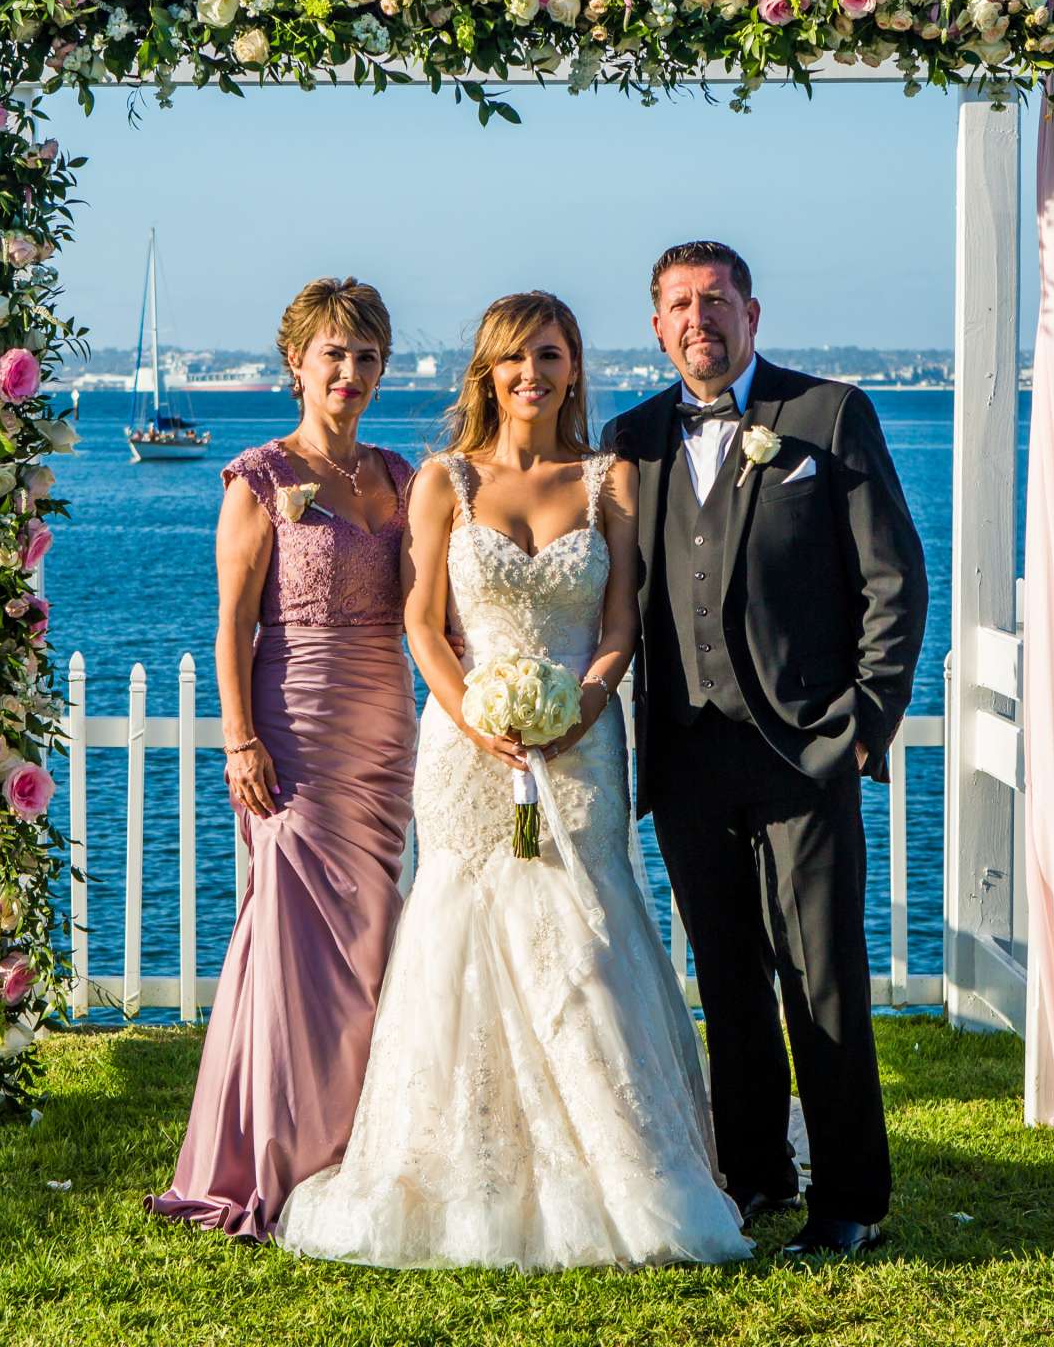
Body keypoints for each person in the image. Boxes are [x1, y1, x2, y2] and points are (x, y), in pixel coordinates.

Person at [278, 291, 749, 1271]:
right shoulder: (446, 480)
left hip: (581, 743)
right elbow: (420, 621)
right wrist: (473, 714)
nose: (530, 374)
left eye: (549, 355)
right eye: (512, 360)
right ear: (487, 375)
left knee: (587, 923)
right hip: (470, 748)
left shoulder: (606, 479)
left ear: (574, 367)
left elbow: (620, 622)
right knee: (465, 932)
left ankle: (625, 1171)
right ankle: (466, 1177)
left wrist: (582, 701)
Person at [601, 240, 928, 1258]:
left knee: (820, 976)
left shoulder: (827, 417)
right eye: (678, 306)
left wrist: (864, 725)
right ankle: (753, 1172)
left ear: (752, 311)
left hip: (803, 752)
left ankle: (851, 1197)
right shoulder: (633, 436)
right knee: (727, 976)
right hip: (689, 758)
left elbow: (895, 580)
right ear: (657, 327)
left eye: (715, 300)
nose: (698, 319)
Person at [146, 278, 416, 1241]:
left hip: (385, 726)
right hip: (292, 728)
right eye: (333, 355)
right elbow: (230, 622)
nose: (350, 373)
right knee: (295, 944)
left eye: (367, 356)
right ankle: (277, 1156)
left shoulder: (402, 475)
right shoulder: (258, 477)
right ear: (296, 363)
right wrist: (239, 738)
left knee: (375, 937)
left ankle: (359, 1143)